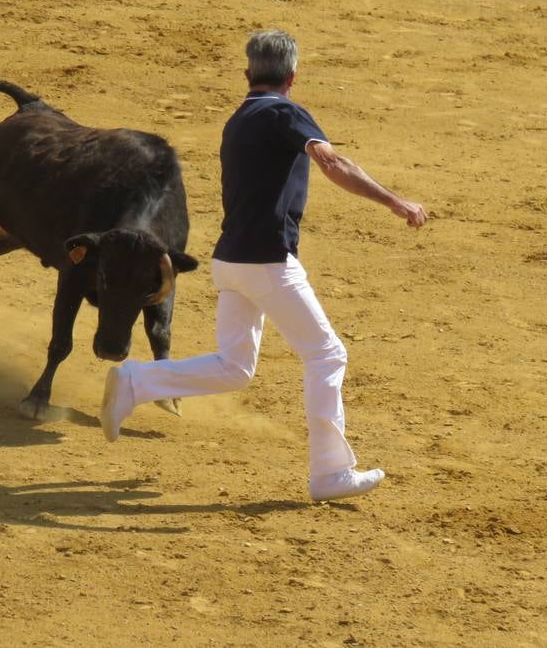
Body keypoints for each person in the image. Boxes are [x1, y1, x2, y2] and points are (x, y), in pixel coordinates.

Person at [99, 30, 428, 502]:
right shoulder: (285, 112)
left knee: (234, 367)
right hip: (268, 260)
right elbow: (332, 162)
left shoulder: (239, 119)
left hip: (232, 259)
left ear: (247, 74)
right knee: (327, 355)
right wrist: (395, 202)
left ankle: (136, 380)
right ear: (293, 77)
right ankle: (331, 473)